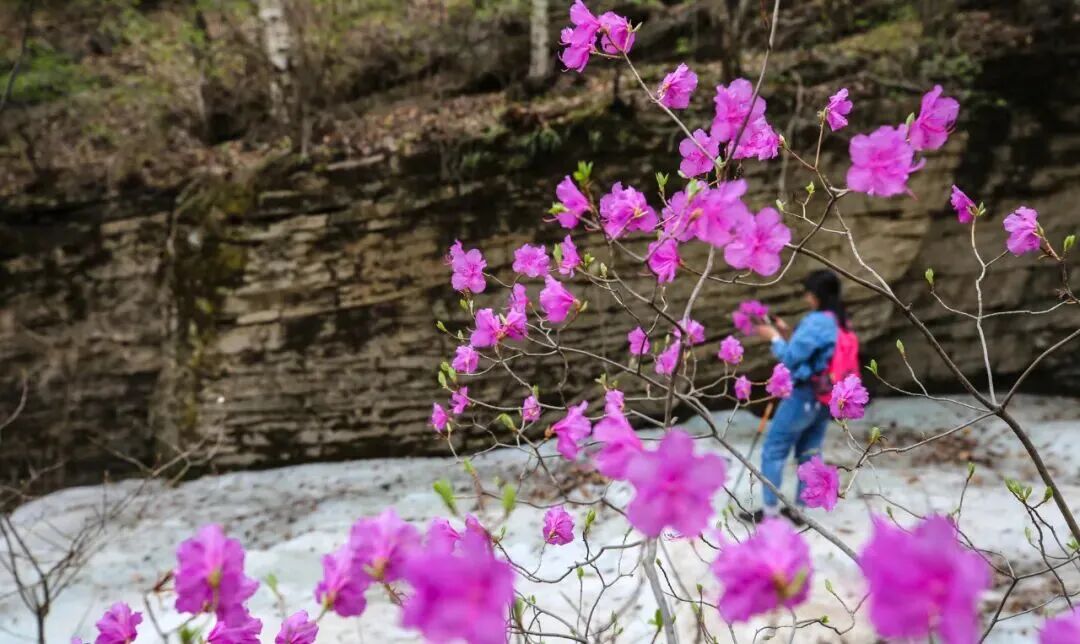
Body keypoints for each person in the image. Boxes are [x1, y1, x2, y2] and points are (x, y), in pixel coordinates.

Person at [741, 270, 847, 525]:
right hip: (825, 397)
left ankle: (770, 512)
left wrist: (774, 338)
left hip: (802, 396)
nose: (806, 297)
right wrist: (788, 334)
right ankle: (800, 510)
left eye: (808, 292)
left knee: (774, 450)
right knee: (810, 452)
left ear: (817, 295)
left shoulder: (816, 322)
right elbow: (813, 355)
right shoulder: (839, 320)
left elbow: (790, 359)